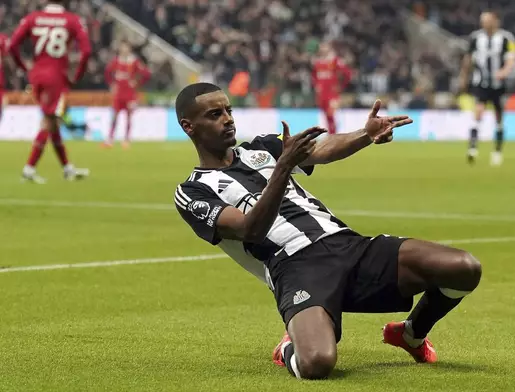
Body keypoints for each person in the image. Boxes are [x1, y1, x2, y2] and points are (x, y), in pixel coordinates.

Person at [173, 83, 482, 380]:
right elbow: (250, 230)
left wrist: (365, 134)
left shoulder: (263, 147)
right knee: (317, 364)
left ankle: (411, 334)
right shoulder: (192, 191)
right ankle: (289, 346)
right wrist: (282, 170)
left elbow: (322, 149)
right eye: (215, 115)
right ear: (189, 126)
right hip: (295, 268)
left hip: (346, 244)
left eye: (228, 110)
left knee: (464, 268)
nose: (227, 119)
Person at [9, 0, 91, 184]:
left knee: (53, 121)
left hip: (37, 75)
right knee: (48, 121)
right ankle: (29, 168)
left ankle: (67, 168)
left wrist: (24, 67)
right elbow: (86, 51)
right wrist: (76, 75)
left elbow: (12, 45)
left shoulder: (32, 18)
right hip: (56, 76)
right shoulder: (72, 20)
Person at [459, 11, 515, 166]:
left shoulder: (507, 38)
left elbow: (512, 58)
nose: (484, 23)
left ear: (495, 21)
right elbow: (468, 59)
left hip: (499, 84)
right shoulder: (475, 38)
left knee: (499, 118)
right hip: (481, 82)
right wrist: (464, 78)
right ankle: (472, 148)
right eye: (482, 20)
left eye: (487, 20)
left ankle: (497, 151)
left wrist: (505, 71)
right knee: (478, 112)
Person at [103, 40, 150, 148]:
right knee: (114, 116)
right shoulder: (116, 61)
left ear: (129, 49)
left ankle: (126, 139)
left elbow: (146, 74)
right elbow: (107, 72)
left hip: (130, 94)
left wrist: (137, 83)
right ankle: (110, 139)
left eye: (126, 47)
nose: (124, 49)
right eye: (122, 47)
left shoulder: (134, 61)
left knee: (128, 117)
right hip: (119, 93)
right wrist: (112, 84)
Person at [311, 42, 351, 135]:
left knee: (331, 114)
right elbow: (314, 77)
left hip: (332, 94)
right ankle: (331, 135)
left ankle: (333, 135)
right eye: (321, 48)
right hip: (322, 95)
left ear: (329, 49)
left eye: (325, 47)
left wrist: (341, 87)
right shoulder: (318, 63)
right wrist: (316, 86)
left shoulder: (335, 61)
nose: (323, 49)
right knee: (327, 116)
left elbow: (347, 73)